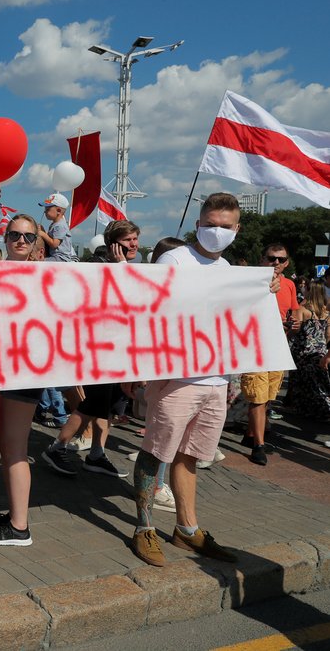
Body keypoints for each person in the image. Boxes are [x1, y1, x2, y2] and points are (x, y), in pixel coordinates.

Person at [128, 192, 266, 567]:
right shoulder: (176, 258)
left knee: (190, 457)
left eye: (224, 226)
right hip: (177, 379)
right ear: (197, 225)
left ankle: (186, 529)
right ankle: (143, 528)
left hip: (216, 379)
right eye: (210, 225)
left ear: (236, 229)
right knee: (156, 451)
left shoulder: (234, 273)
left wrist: (261, 296)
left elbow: (239, 325)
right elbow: (149, 309)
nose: (216, 232)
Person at [41, 220, 142, 480]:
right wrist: (121, 270)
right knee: (93, 403)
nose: (134, 244)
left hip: (117, 349)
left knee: (105, 406)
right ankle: (58, 445)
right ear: (113, 244)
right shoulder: (97, 268)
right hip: (99, 350)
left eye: (135, 239)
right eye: (129, 239)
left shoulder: (126, 268)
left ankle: (97, 453)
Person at [0, 214, 43, 546]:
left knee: (16, 447)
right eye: (15, 235)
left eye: (28, 237)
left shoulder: (44, 276)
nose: (20, 241)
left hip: (26, 369)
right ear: (4, 238)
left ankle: (20, 527)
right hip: (1, 368)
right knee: (5, 443)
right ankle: (14, 513)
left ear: (36, 242)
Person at [239, 243, 299, 465]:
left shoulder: (290, 285)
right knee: (257, 396)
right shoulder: (250, 282)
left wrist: (295, 324)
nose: (276, 263)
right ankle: (259, 446)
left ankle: (251, 434)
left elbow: (293, 311)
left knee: (268, 396)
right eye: (271, 258)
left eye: (281, 260)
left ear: (287, 262)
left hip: (278, 346)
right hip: (254, 346)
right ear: (262, 259)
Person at [286, 281, 330, 420]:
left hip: (303, 349)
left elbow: (296, 329)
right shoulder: (326, 311)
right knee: (318, 382)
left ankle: (302, 408)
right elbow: (328, 334)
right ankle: (321, 409)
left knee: (300, 379)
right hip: (320, 349)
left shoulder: (302, 309)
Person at [36, 193, 77, 262]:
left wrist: (43, 234)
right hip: (55, 256)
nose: (45, 211)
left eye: (48, 209)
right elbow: (51, 239)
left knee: (40, 262)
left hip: (61, 258)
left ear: (58, 211)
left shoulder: (60, 225)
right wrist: (43, 231)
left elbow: (54, 244)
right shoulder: (55, 224)